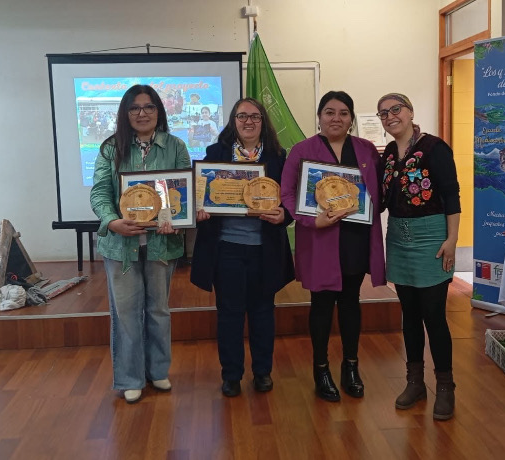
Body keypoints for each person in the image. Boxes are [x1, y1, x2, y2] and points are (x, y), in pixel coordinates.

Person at [281, 91, 385, 402]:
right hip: (321, 239)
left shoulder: (366, 150)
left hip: (355, 238)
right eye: (329, 112)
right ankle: (321, 368)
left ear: (351, 119)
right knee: (322, 305)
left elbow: (377, 193)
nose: (335, 118)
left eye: (342, 113)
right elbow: (287, 195)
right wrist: (314, 221)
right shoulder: (302, 150)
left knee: (351, 302)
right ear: (319, 117)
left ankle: (350, 366)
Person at [90, 84, 191, 404]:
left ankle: (158, 371)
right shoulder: (110, 148)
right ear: (125, 113)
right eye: (135, 108)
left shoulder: (175, 146)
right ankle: (130, 377)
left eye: (149, 107)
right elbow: (100, 192)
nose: (142, 113)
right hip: (121, 245)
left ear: (159, 111)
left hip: (161, 244)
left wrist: (177, 217)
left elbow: (184, 192)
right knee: (126, 313)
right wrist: (112, 221)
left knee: (158, 310)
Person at [191, 98, 294, 397]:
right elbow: (201, 194)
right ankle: (231, 375)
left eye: (255, 116)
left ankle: (262, 372)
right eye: (242, 116)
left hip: (265, 249)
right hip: (227, 248)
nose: (248, 121)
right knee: (229, 314)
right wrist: (200, 208)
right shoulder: (215, 154)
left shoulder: (278, 157)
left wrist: (284, 214)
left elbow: (288, 198)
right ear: (233, 121)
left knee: (263, 312)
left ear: (263, 121)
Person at [376, 93, 461, 420]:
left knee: (433, 314)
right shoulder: (387, 155)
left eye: (395, 109)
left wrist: (452, 240)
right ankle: (415, 382)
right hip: (398, 237)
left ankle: (445, 387)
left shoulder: (435, 148)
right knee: (409, 313)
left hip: (431, 238)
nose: (389, 116)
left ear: (410, 111)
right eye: (384, 113)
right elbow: (381, 199)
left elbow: (451, 194)